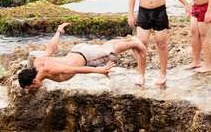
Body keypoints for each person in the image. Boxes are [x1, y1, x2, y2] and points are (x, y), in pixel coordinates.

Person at [18, 23, 146, 88]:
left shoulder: (49, 70)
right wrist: (58, 32)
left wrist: (99, 71)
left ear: (34, 81)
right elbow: (50, 49)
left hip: (86, 57)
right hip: (77, 51)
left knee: (109, 53)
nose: (32, 90)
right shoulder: (37, 63)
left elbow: (75, 70)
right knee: (104, 48)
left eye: (31, 88)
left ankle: (133, 43)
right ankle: (129, 40)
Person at [128, 0, 191, 86]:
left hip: (160, 12)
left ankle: (162, 74)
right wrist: (130, 14)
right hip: (144, 12)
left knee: (161, 44)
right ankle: (141, 75)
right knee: (141, 45)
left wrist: (185, 3)